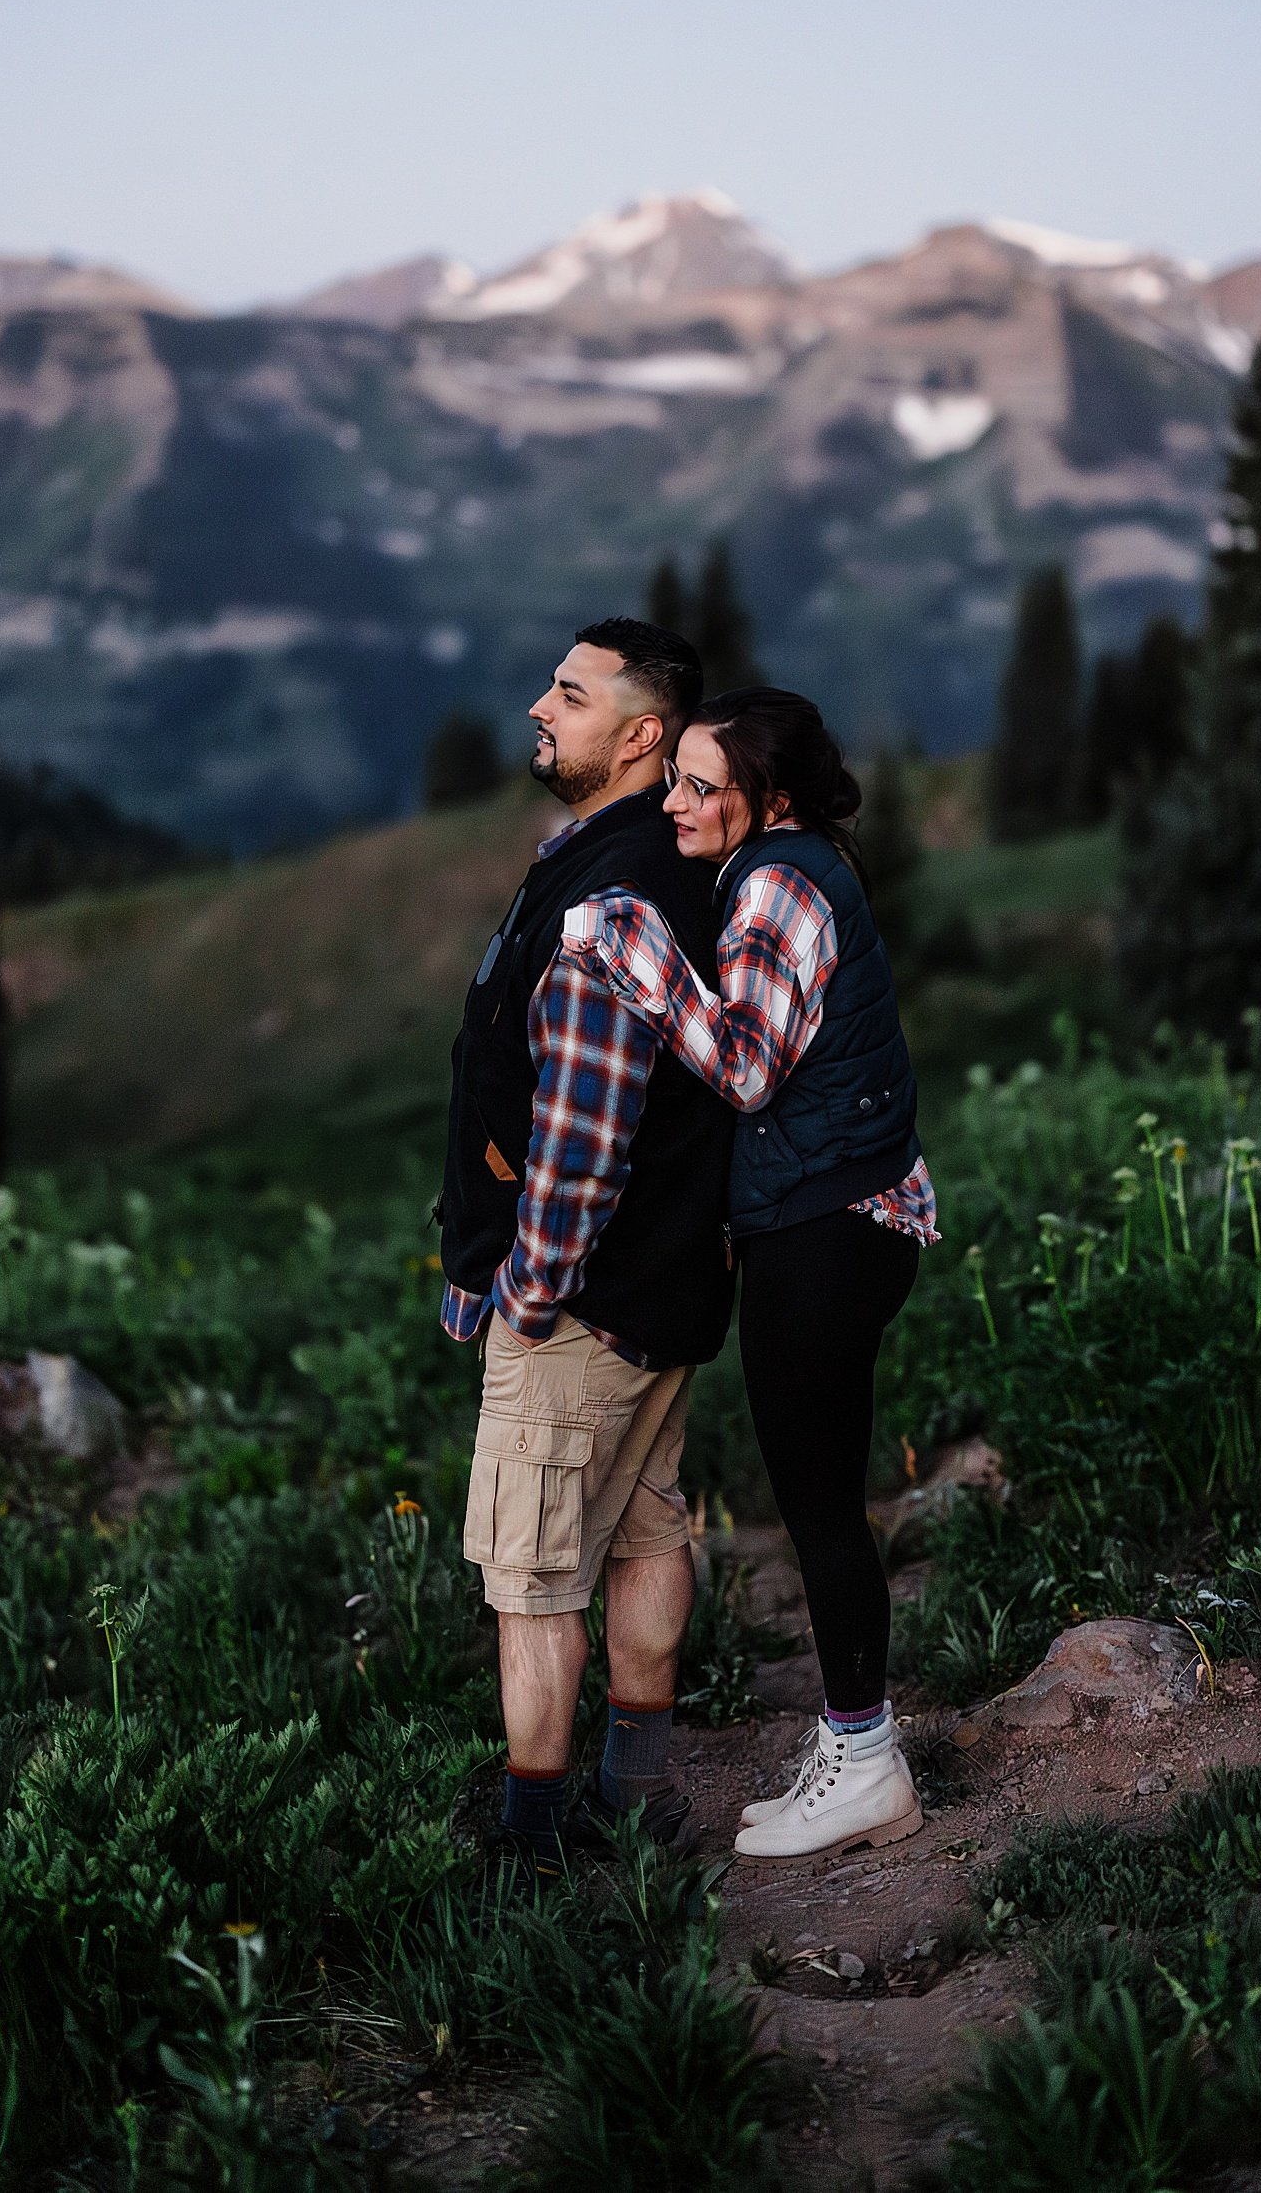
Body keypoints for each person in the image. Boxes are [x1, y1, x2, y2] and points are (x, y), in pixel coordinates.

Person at [564, 685, 937, 1860]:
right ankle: (851, 1737)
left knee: (820, 1506)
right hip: (834, 1213)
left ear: (767, 799)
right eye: (670, 775)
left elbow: (743, 1066)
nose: (673, 801)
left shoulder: (776, 882)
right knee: (813, 1497)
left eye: (699, 785)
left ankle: (869, 1760)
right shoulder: (788, 862)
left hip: (830, 1227)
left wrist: (634, 953)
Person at [438, 619, 735, 1875]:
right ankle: (641, 1787)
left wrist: (531, 1288)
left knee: (532, 1571)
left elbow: (584, 1133)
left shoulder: (611, 896)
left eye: (568, 691)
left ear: (642, 734)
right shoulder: (630, 859)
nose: (536, 708)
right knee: (644, 1527)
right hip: (666, 1284)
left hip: (584, 1304)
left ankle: (532, 1841)